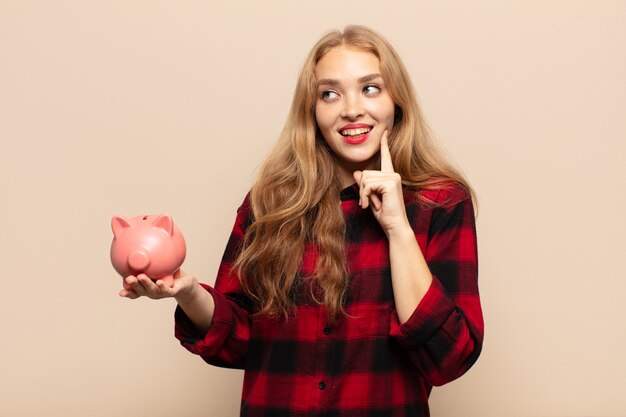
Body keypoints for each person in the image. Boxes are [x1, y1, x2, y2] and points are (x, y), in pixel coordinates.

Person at [120, 25, 484, 417]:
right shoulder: (271, 202)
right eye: (330, 94)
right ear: (312, 112)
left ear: (398, 101)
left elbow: (448, 359)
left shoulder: (441, 202)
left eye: (370, 88)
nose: (351, 109)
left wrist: (398, 229)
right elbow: (241, 340)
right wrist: (188, 293)